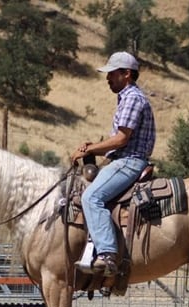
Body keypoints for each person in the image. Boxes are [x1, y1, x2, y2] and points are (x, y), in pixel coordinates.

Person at [71, 51, 156, 277]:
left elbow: (121, 139)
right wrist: (94, 147)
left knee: (91, 197)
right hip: (124, 158)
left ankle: (107, 254)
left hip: (129, 161)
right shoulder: (127, 98)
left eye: (112, 73)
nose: (108, 78)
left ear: (127, 74)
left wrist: (90, 149)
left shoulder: (132, 98)